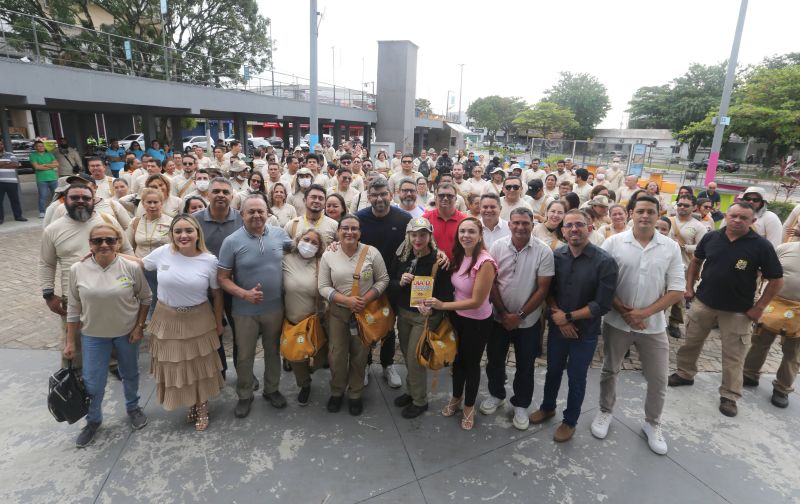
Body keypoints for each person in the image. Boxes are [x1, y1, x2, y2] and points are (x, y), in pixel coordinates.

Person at [670, 202, 784, 417]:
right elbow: (696, 261)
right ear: (726, 216)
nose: (737, 220)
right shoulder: (712, 237)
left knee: (734, 355)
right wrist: (688, 288)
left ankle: (730, 395)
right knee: (690, 343)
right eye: (733, 216)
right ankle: (685, 374)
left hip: (738, 311)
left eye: (743, 218)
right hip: (704, 303)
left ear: (753, 221)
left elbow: (776, 281)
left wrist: (759, 308)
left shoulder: (761, 246)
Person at [593, 195, 684, 455]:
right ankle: (605, 411)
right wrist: (625, 311)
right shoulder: (613, 243)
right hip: (616, 322)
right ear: (631, 213)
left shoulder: (670, 247)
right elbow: (603, 283)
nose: (645, 216)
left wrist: (643, 313)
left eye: (651, 212)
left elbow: (677, 290)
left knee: (657, 378)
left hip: (653, 327)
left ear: (659, 214)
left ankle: (652, 423)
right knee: (610, 370)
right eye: (640, 211)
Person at [530, 209, 618, 442]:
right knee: (553, 371)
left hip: (585, 332)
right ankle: (548, 407)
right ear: (563, 230)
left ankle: (570, 421)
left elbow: (602, 304)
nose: (574, 229)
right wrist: (560, 316)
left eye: (579, 224)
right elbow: (548, 291)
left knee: (577, 378)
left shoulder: (605, 262)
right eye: (568, 226)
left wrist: (569, 318)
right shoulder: (556, 256)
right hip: (559, 328)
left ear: (590, 227)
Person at [64, 223, 151, 447]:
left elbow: (145, 298)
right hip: (94, 336)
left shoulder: (130, 267)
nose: (104, 244)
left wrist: (139, 326)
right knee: (93, 381)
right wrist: (70, 342)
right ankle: (93, 420)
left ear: (118, 243)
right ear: (90, 244)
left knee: (129, 373)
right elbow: (73, 309)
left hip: (127, 333)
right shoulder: (77, 269)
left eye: (110, 240)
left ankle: (133, 407)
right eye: (98, 241)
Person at [142, 214, 224, 431]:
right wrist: (109, 253)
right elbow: (139, 263)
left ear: (197, 233)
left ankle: (202, 405)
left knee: (199, 365)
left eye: (188, 230)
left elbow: (217, 295)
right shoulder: (162, 253)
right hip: (166, 318)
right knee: (177, 363)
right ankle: (191, 401)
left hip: (199, 318)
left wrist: (218, 323)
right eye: (178, 231)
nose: (183, 235)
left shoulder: (209, 260)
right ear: (172, 234)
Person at [40, 183, 132, 371]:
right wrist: (48, 294)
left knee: (113, 331)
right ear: (65, 200)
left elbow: (127, 250)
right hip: (74, 297)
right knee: (73, 340)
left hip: (112, 291)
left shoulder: (108, 222)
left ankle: (114, 365)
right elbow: (47, 263)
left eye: (86, 198)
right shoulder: (53, 230)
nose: (81, 201)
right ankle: (73, 373)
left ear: (93, 200)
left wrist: (131, 282)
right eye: (75, 197)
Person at [218, 195, 292, 418]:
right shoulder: (231, 241)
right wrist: (244, 294)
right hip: (244, 311)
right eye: (251, 211)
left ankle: (272, 389)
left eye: (261, 211)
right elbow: (222, 278)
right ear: (242, 215)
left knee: (273, 351)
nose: (257, 215)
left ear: (268, 213)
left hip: (275, 308)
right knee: (245, 355)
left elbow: (305, 248)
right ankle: (245, 394)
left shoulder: (280, 235)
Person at [482, 208, 554, 431]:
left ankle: (521, 404)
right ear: (510, 224)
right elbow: (491, 281)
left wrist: (519, 316)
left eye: (525, 223)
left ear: (533, 224)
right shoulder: (498, 246)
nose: (520, 227)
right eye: (516, 223)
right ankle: (497, 394)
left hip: (528, 322)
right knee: (494, 360)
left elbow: (543, 289)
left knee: (525, 365)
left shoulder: (543, 251)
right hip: (498, 319)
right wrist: (504, 314)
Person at [425, 218, 497, 430]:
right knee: (457, 361)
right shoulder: (458, 255)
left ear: (479, 235)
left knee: (471, 364)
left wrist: (442, 305)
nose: (466, 235)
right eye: (462, 231)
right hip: (457, 318)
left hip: (477, 321)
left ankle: (468, 406)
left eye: (471, 232)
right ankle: (456, 397)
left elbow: (476, 301)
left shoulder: (485, 262)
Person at [318, 215, 389, 415]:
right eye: (345, 228)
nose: (350, 232)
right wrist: (345, 300)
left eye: (354, 229)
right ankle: (337, 391)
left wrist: (366, 298)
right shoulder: (329, 255)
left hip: (363, 314)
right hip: (338, 314)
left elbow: (383, 280)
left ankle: (356, 393)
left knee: (360, 355)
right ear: (338, 231)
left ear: (360, 232)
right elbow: (322, 286)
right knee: (337, 355)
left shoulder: (371, 253)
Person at [388, 217, 451, 418]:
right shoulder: (401, 257)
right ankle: (411, 391)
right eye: (414, 234)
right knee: (407, 355)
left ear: (429, 236)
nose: (418, 239)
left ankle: (420, 401)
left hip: (424, 317)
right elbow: (389, 282)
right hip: (404, 313)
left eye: (423, 234)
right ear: (408, 236)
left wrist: (432, 307)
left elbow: (447, 293)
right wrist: (400, 282)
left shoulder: (437, 260)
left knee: (415, 358)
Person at [355, 178, 413, 388]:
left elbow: (414, 247)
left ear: (391, 194)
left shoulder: (404, 219)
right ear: (368, 196)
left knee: (389, 327)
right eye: (374, 194)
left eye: (383, 194)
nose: (379, 198)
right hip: (366, 283)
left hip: (395, 283)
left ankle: (388, 365)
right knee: (367, 323)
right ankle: (367, 364)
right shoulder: (359, 218)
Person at [743, 233, 800, 408]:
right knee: (759, 341)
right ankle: (750, 374)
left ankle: (782, 389)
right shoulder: (785, 248)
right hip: (774, 303)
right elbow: (766, 271)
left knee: (793, 353)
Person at [282, 229, 326, 406]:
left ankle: (312, 370)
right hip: (293, 319)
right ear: (298, 240)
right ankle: (305, 384)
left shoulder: (322, 262)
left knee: (319, 357)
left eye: (314, 242)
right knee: (296, 358)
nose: (309, 244)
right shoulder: (285, 259)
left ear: (320, 247)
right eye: (306, 239)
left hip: (316, 320)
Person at [665, 194, 708, 338]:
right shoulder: (668, 220)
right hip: (664, 262)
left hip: (684, 265)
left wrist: (685, 247)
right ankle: (656, 320)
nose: (682, 207)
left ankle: (674, 323)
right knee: (659, 293)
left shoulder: (698, 226)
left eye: (686, 205)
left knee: (679, 297)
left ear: (694, 207)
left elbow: (703, 247)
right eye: (680, 204)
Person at [125, 186, 172, 315]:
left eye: (155, 202)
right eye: (148, 202)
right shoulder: (135, 222)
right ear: (143, 203)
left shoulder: (171, 222)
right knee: (144, 298)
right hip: (140, 267)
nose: (152, 205)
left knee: (161, 298)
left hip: (163, 268)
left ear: (161, 203)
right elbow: (127, 245)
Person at [423, 183, 467, 260]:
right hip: (431, 268)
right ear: (435, 198)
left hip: (457, 268)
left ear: (456, 198)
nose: (445, 198)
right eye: (441, 195)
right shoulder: (425, 219)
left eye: (450, 196)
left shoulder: (465, 221)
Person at [30, 140, 60, 218]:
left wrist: (45, 164)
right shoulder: (33, 155)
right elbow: (37, 167)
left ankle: (57, 210)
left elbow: (56, 164)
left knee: (56, 195)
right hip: (41, 179)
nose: (41, 147)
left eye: (42, 146)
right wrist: (50, 166)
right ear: (35, 147)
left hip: (53, 178)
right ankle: (42, 212)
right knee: (43, 196)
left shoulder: (49, 154)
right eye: (39, 146)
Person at [0, 139, 26, 224]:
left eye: (1, 144)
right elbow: (12, 164)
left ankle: (18, 216)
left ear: (3, 145)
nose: (0, 146)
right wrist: (7, 164)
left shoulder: (10, 154)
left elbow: (15, 164)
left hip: (12, 182)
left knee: (15, 199)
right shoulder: (9, 157)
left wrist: (1, 165)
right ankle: (0, 218)